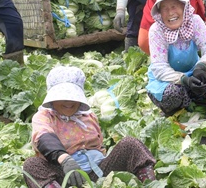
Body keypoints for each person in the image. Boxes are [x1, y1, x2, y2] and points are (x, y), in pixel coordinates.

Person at [23, 66, 157, 187]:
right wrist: (65, 159)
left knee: (131, 144)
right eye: (62, 96)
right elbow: (43, 137)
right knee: (31, 165)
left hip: (99, 172)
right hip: (65, 176)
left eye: (72, 96)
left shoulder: (88, 116)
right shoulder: (44, 116)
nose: (69, 101)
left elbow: (100, 147)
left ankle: (150, 185)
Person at [146, 0, 206, 116]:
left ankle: (200, 101)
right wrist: (184, 80)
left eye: (174, 6)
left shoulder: (194, 21)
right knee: (173, 94)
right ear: (160, 13)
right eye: (165, 9)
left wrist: (200, 67)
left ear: (184, 7)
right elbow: (159, 68)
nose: (171, 12)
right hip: (166, 81)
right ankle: (175, 111)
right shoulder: (156, 30)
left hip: (193, 73)